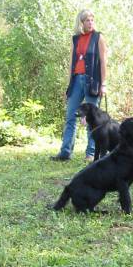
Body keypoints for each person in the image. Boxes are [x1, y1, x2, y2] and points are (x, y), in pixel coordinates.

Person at [51, 9, 107, 162]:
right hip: (76, 80)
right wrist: (69, 84)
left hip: (92, 82)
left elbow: (103, 62)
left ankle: (90, 153)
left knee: (92, 119)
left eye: (92, 20)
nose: (90, 23)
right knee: (70, 116)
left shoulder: (98, 37)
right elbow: (71, 63)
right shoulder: (75, 39)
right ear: (81, 23)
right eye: (87, 20)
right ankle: (65, 152)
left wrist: (104, 84)